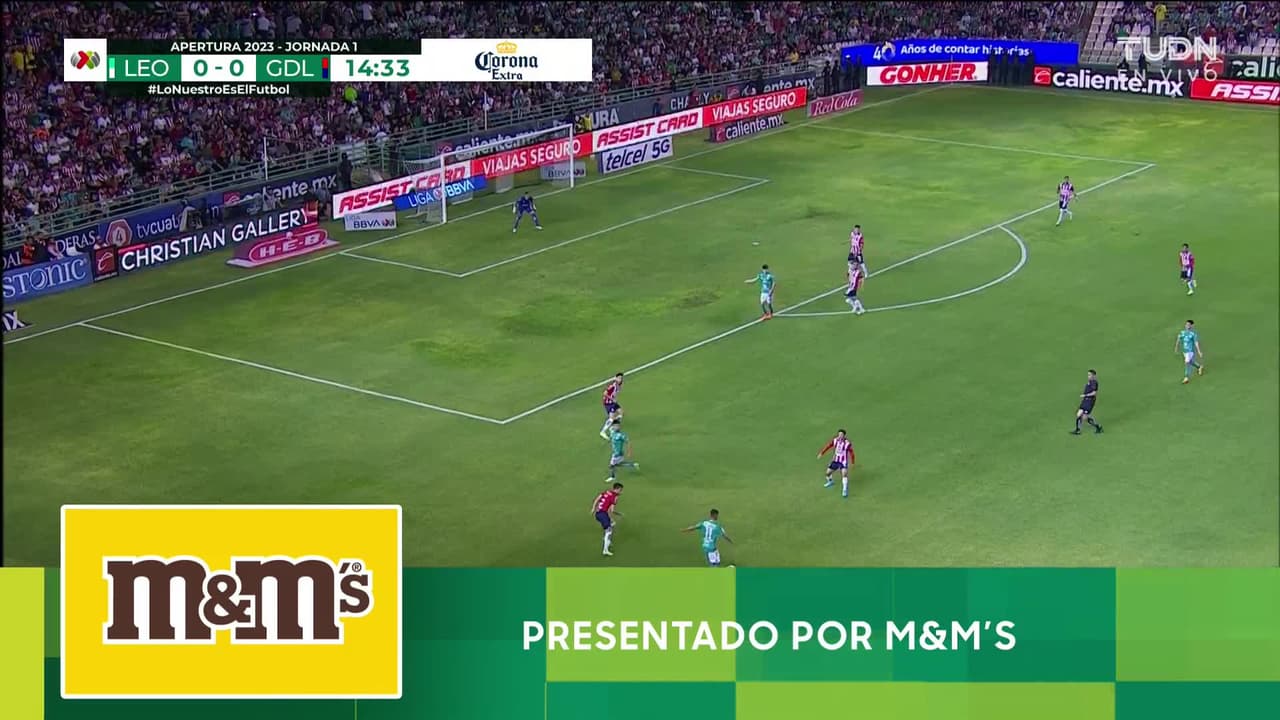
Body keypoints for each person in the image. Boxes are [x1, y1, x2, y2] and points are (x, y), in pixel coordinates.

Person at [817, 429, 856, 497]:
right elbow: (828, 446)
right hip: (835, 460)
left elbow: (851, 453)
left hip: (843, 462)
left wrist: (852, 462)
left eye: (841, 434)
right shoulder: (835, 440)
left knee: (844, 474)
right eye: (839, 434)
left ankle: (844, 490)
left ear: (844, 435)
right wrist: (821, 453)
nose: (840, 436)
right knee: (827, 473)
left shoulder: (847, 443)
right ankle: (830, 481)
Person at [593, 483, 624, 557]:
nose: (621, 492)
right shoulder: (614, 497)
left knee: (612, 524)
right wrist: (619, 514)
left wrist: (593, 508)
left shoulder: (607, 491)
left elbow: (597, 498)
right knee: (609, 530)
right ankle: (605, 550)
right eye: (620, 490)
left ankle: (607, 540)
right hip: (602, 514)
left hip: (599, 513)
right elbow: (612, 510)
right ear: (617, 489)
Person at [1072, 369, 1104, 435]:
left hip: (1089, 402)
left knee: (1084, 417)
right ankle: (1078, 430)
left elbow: (1094, 393)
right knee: (1078, 414)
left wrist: (1085, 395)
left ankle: (1098, 427)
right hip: (1085, 400)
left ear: (1093, 375)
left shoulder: (1094, 382)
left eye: (1089, 375)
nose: (1088, 376)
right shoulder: (1090, 381)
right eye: (1088, 375)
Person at [1176, 320, 1205, 384]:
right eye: (1186, 324)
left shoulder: (1193, 334)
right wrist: (1176, 347)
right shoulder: (1182, 332)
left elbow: (1196, 343)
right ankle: (1199, 367)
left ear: (1192, 326)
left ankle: (1186, 377)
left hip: (1190, 351)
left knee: (1187, 362)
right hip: (1184, 351)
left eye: (1188, 325)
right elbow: (1178, 339)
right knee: (1190, 361)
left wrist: (1199, 352)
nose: (1187, 326)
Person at [599, 372, 624, 440]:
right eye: (619, 378)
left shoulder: (619, 385)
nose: (620, 379)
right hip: (608, 403)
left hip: (613, 402)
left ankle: (612, 426)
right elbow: (605, 393)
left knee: (621, 413)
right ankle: (603, 431)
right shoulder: (612, 385)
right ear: (616, 378)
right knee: (611, 418)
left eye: (621, 378)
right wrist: (612, 399)